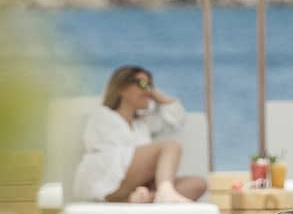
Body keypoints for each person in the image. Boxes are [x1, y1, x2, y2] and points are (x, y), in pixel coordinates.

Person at [71, 65, 206, 204]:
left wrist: (154, 93)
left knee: (197, 184)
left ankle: (143, 198)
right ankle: (164, 192)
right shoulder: (102, 115)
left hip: (135, 184)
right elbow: (111, 156)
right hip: (106, 177)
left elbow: (176, 116)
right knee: (171, 146)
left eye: (150, 85)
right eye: (142, 84)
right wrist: (149, 165)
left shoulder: (141, 124)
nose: (147, 90)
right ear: (122, 88)